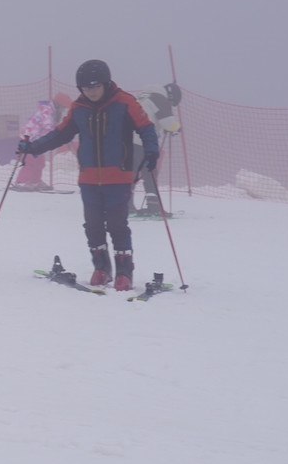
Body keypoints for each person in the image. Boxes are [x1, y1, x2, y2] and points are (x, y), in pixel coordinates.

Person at [16, 59, 159, 291]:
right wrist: (33, 147)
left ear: (105, 83)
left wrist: (151, 151)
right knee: (92, 225)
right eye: (85, 88)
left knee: (117, 224)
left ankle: (124, 271)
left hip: (119, 175)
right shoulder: (79, 108)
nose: (90, 92)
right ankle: (101, 268)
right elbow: (60, 134)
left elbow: (146, 127)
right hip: (89, 177)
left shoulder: (124, 102)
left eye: (95, 86)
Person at [130, 83, 184, 216]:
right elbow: (168, 122)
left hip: (125, 138)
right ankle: (154, 207)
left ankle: (126, 206)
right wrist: (176, 128)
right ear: (171, 97)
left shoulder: (143, 96)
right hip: (141, 140)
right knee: (150, 172)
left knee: (130, 173)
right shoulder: (160, 99)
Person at [13, 93, 72, 190]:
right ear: (58, 105)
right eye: (63, 108)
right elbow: (48, 127)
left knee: (40, 162)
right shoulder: (47, 111)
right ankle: (22, 182)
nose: (63, 110)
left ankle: (35, 180)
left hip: (37, 139)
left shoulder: (52, 113)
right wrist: (57, 133)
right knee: (31, 162)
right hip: (29, 138)